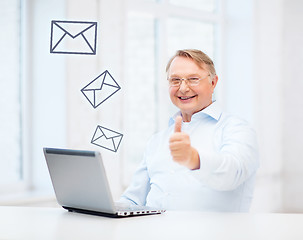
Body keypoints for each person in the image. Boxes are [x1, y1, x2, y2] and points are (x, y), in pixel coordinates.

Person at [118, 49, 259, 212]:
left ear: (213, 83)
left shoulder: (237, 129)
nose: (183, 88)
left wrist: (193, 159)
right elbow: (133, 199)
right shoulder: (157, 140)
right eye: (175, 80)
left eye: (193, 79)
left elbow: (233, 173)